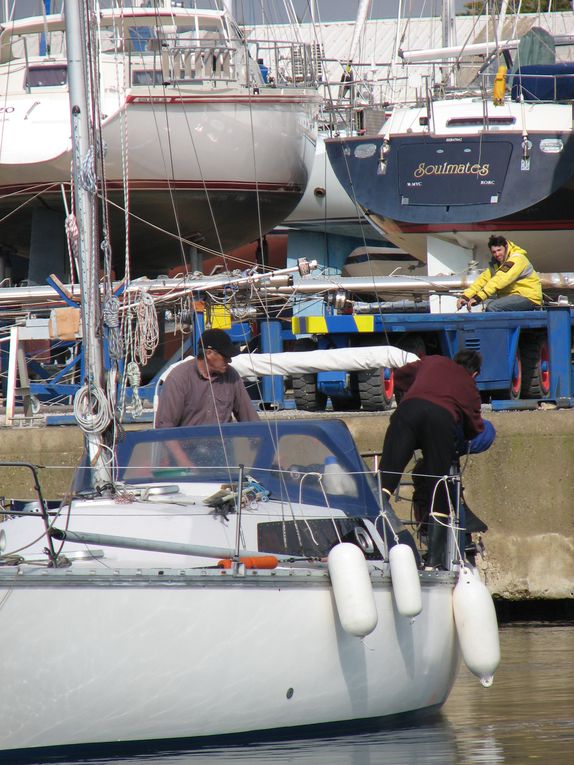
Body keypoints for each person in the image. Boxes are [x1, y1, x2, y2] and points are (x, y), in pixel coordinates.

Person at [379, 350, 485, 569]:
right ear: (474, 373)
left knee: (386, 478)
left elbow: (399, 377)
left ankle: (367, 538)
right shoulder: (469, 384)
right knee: (438, 486)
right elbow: (475, 427)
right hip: (440, 421)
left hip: (407, 413)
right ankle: (433, 560)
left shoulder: (432, 361)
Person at [155, 328, 259, 428]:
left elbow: (251, 420)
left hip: (223, 445)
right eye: (225, 356)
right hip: (188, 445)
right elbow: (165, 426)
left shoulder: (231, 376)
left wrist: (263, 440)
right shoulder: (178, 378)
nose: (230, 361)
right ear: (209, 353)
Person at [456, 235, 542, 312]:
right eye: (494, 252)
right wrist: (465, 297)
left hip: (528, 298)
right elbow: (482, 280)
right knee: (492, 306)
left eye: (499, 250)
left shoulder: (516, 259)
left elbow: (500, 279)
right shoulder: (497, 264)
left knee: (493, 307)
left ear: (506, 247)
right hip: (513, 298)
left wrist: (479, 297)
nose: (497, 254)